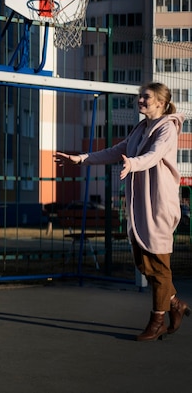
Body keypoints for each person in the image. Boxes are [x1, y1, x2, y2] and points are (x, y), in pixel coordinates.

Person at [55, 82, 190, 342]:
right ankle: (176, 304)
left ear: (161, 103)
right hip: (140, 205)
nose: (140, 100)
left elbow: (153, 155)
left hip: (159, 204)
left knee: (160, 267)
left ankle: (157, 321)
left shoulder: (168, 128)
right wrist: (82, 158)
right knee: (144, 263)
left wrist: (134, 164)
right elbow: (116, 151)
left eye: (146, 97)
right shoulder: (141, 128)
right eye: (140, 96)